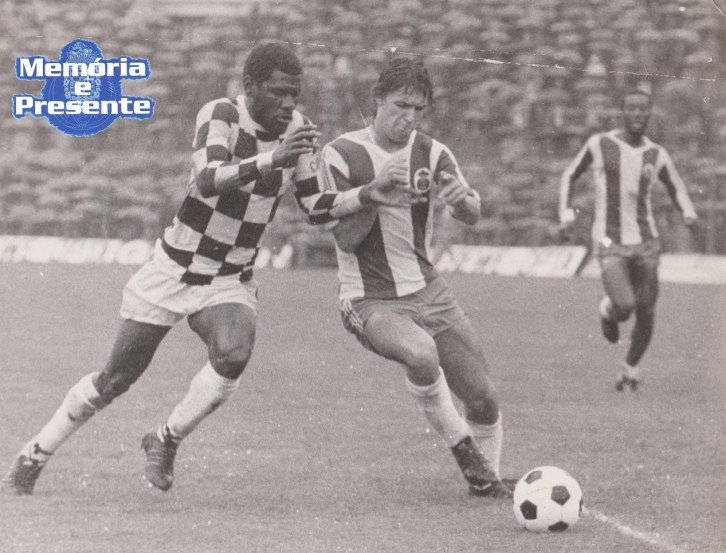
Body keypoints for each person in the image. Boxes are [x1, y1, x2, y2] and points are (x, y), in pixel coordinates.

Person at [2, 42, 414, 496]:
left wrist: (367, 194)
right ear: (250, 86)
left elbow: (316, 205)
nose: (288, 104)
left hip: (229, 278)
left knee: (233, 354)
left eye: (294, 95)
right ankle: (35, 453)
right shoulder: (221, 115)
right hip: (174, 268)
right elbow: (207, 178)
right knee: (115, 380)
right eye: (278, 93)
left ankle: (165, 438)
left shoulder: (297, 130)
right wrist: (273, 159)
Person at [318, 56, 514, 498]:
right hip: (369, 298)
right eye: (400, 106)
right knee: (422, 354)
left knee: (483, 398)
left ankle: (487, 484)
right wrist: (374, 192)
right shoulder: (340, 154)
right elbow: (345, 239)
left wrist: (461, 201)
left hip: (430, 290)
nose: (408, 118)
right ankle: (463, 448)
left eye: (418, 109)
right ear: (377, 100)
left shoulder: (433, 152)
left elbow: (473, 213)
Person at [559, 89, 698, 391]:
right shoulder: (600, 144)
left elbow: (675, 186)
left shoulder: (656, 154)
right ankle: (608, 308)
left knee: (646, 309)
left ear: (649, 115)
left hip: (647, 242)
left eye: (642, 109)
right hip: (609, 240)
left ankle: (630, 368)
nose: (637, 114)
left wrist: (688, 212)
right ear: (622, 113)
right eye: (631, 108)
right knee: (625, 306)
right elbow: (570, 175)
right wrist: (566, 214)